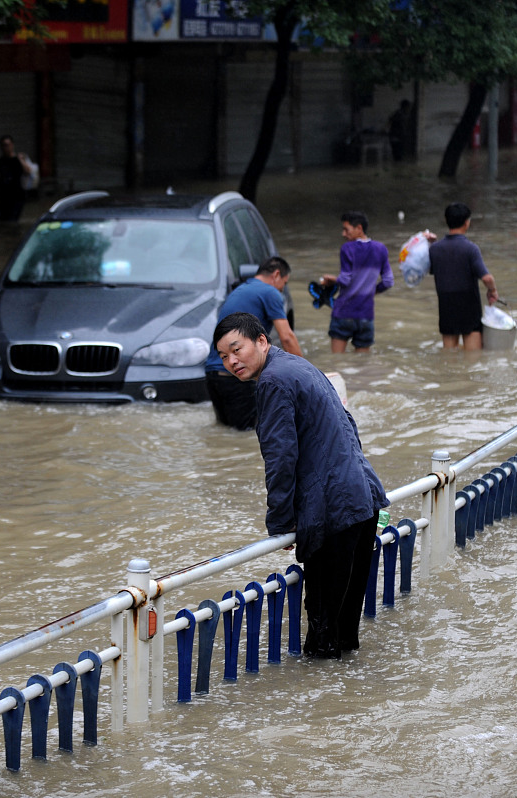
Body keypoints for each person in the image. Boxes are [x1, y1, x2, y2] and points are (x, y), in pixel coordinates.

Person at [213, 312, 389, 659]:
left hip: (334, 515)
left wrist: (280, 523)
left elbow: (280, 458)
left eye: (237, 349)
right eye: (223, 356)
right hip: (360, 503)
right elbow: (348, 424)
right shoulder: (298, 365)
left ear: (261, 341)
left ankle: (325, 711)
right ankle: (349, 705)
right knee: (344, 635)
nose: (231, 361)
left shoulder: (272, 382)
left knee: (323, 642)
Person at [204, 256, 303, 430]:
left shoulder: (240, 290)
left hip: (214, 374)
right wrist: (304, 373)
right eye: (284, 283)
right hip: (236, 377)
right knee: (248, 434)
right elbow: (287, 336)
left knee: (226, 433)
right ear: (277, 275)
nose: (282, 289)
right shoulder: (270, 292)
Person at [317, 211, 392, 353]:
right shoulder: (381, 249)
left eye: (346, 229)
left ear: (359, 228)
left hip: (344, 312)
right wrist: (371, 291)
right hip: (366, 315)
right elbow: (388, 281)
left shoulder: (347, 248)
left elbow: (345, 280)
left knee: (337, 362)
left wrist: (331, 281)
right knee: (362, 366)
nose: (343, 234)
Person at [427, 202, 498, 350]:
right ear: (467, 223)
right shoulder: (471, 249)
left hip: (446, 306)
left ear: (446, 221)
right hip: (469, 306)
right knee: (473, 357)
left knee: (449, 354)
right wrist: (492, 290)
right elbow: (487, 278)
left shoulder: (434, 249)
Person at [0, 134, 35, 222]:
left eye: (7, 145)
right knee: (4, 219)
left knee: (13, 220)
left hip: (16, 196)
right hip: (3, 198)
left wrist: (20, 159)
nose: (6, 148)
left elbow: (28, 171)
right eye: (3, 145)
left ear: (12, 145)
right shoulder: (2, 160)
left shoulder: (18, 159)